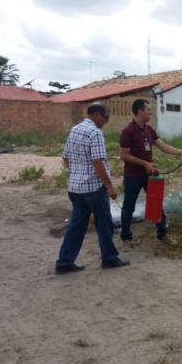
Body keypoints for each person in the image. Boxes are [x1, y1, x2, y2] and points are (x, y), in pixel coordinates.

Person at [55, 103, 129, 274]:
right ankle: (109, 258)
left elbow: (65, 157)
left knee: (76, 225)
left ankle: (64, 261)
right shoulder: (95, 133)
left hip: (75, 188)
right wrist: (109, 186)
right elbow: (98, 162)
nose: (107, 121)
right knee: (105, 224)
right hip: (93, 189)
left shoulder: (75, 129)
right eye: (106, 117)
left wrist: (75, 173)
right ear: (96, 114)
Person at [119, 99, 182, 245]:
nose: (150, 112)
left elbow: (163, 146)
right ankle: (126, 237)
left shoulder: (148, 129)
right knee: (129, 207)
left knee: (156, 203)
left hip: (150, 174)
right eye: (148, 109)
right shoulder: (128, 131)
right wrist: (144, 163)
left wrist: (181, 152)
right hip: (133, 176)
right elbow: (124, 155)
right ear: (140, 111)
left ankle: (162, 233)